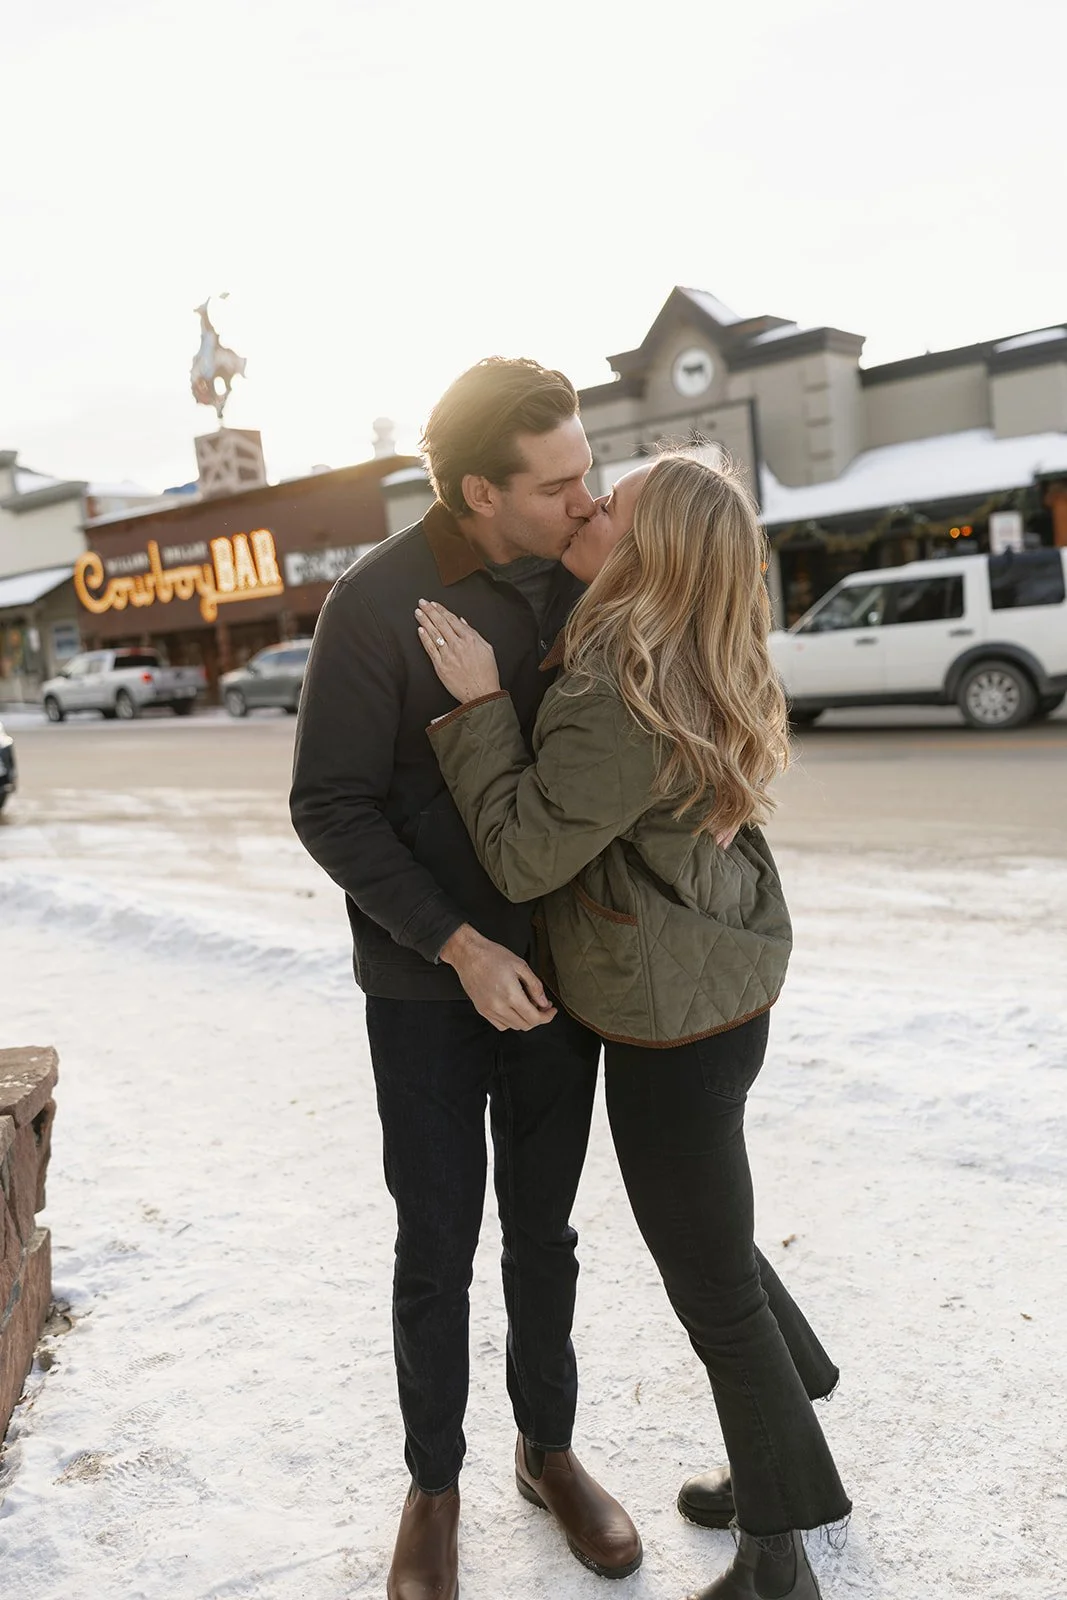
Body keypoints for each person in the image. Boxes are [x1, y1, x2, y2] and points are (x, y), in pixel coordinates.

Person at [415, 453, 851, 1600]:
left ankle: (776, 1551)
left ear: (646, 555)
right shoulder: (690, 652)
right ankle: (787, 1403)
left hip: (670, 1027)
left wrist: (474, 714)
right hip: (715, 996)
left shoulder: (618, 687)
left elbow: (520, 849)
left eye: (614, 505)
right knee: (713, 1238)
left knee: (706, 1279)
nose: (591, 504)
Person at [289, 358, 644, 1600]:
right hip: (425, 988)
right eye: (557, 484)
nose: (582, 499)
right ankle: (431, 1486)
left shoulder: (585, 577)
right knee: (435, 1245)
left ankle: (545, 1453)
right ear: (481, 492)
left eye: (586, 472)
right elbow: (326, 805)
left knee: (543, 1234)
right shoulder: (377, 602)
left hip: (565, 976)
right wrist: (457, 942)